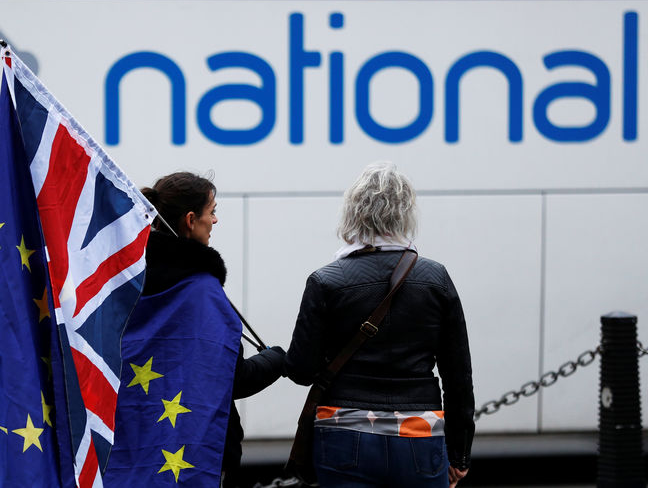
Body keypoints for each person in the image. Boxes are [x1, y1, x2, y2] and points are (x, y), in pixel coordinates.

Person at [284, 162, 475, 488]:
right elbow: (458, 378)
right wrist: (458, 454)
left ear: (353, 212)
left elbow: (302, 371)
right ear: (406, 214)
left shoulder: (326, 281)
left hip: (343, 433)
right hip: (418, 434)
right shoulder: (435, 279)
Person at [140, 171, 286, 487]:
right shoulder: (200, 292)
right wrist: (277, 359)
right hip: (197, 459)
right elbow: (234, 379)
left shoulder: (124, 283)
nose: (216, 220)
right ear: (191, 220)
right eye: (213, 211)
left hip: (137, 450)